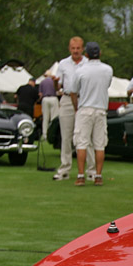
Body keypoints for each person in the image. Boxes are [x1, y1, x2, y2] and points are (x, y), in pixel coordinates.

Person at [71, 42, 113, 186]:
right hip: (101, 109)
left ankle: (81, 175)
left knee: (81, 143)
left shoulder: (80, 70)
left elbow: (74, 91)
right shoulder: (108, 70)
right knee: (99, 145)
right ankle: (98, 176)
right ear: (99, 53)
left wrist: (76, 107)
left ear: (86, 55)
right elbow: (107, 85)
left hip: (85, 108)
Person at [53, 36, 87, 181]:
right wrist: (55, 84)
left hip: (84, 99)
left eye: (78, 48)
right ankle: (64, 168)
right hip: (67, 99)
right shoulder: (63, 64)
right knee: (66, 136)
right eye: (73, 48)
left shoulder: (88, 63)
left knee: (86, 136)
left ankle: (91, 171)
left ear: (82, 49)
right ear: (69, 49)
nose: (75, 51)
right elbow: (58, 86)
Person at [38, 73, 59, 141]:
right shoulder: (54, 81)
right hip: (53, 98)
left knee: (45, 118)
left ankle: (45, 135)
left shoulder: (42, 82)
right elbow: (58, 91)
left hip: (45, 99)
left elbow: (40, 94)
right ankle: (52, 134)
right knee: (53, 117)